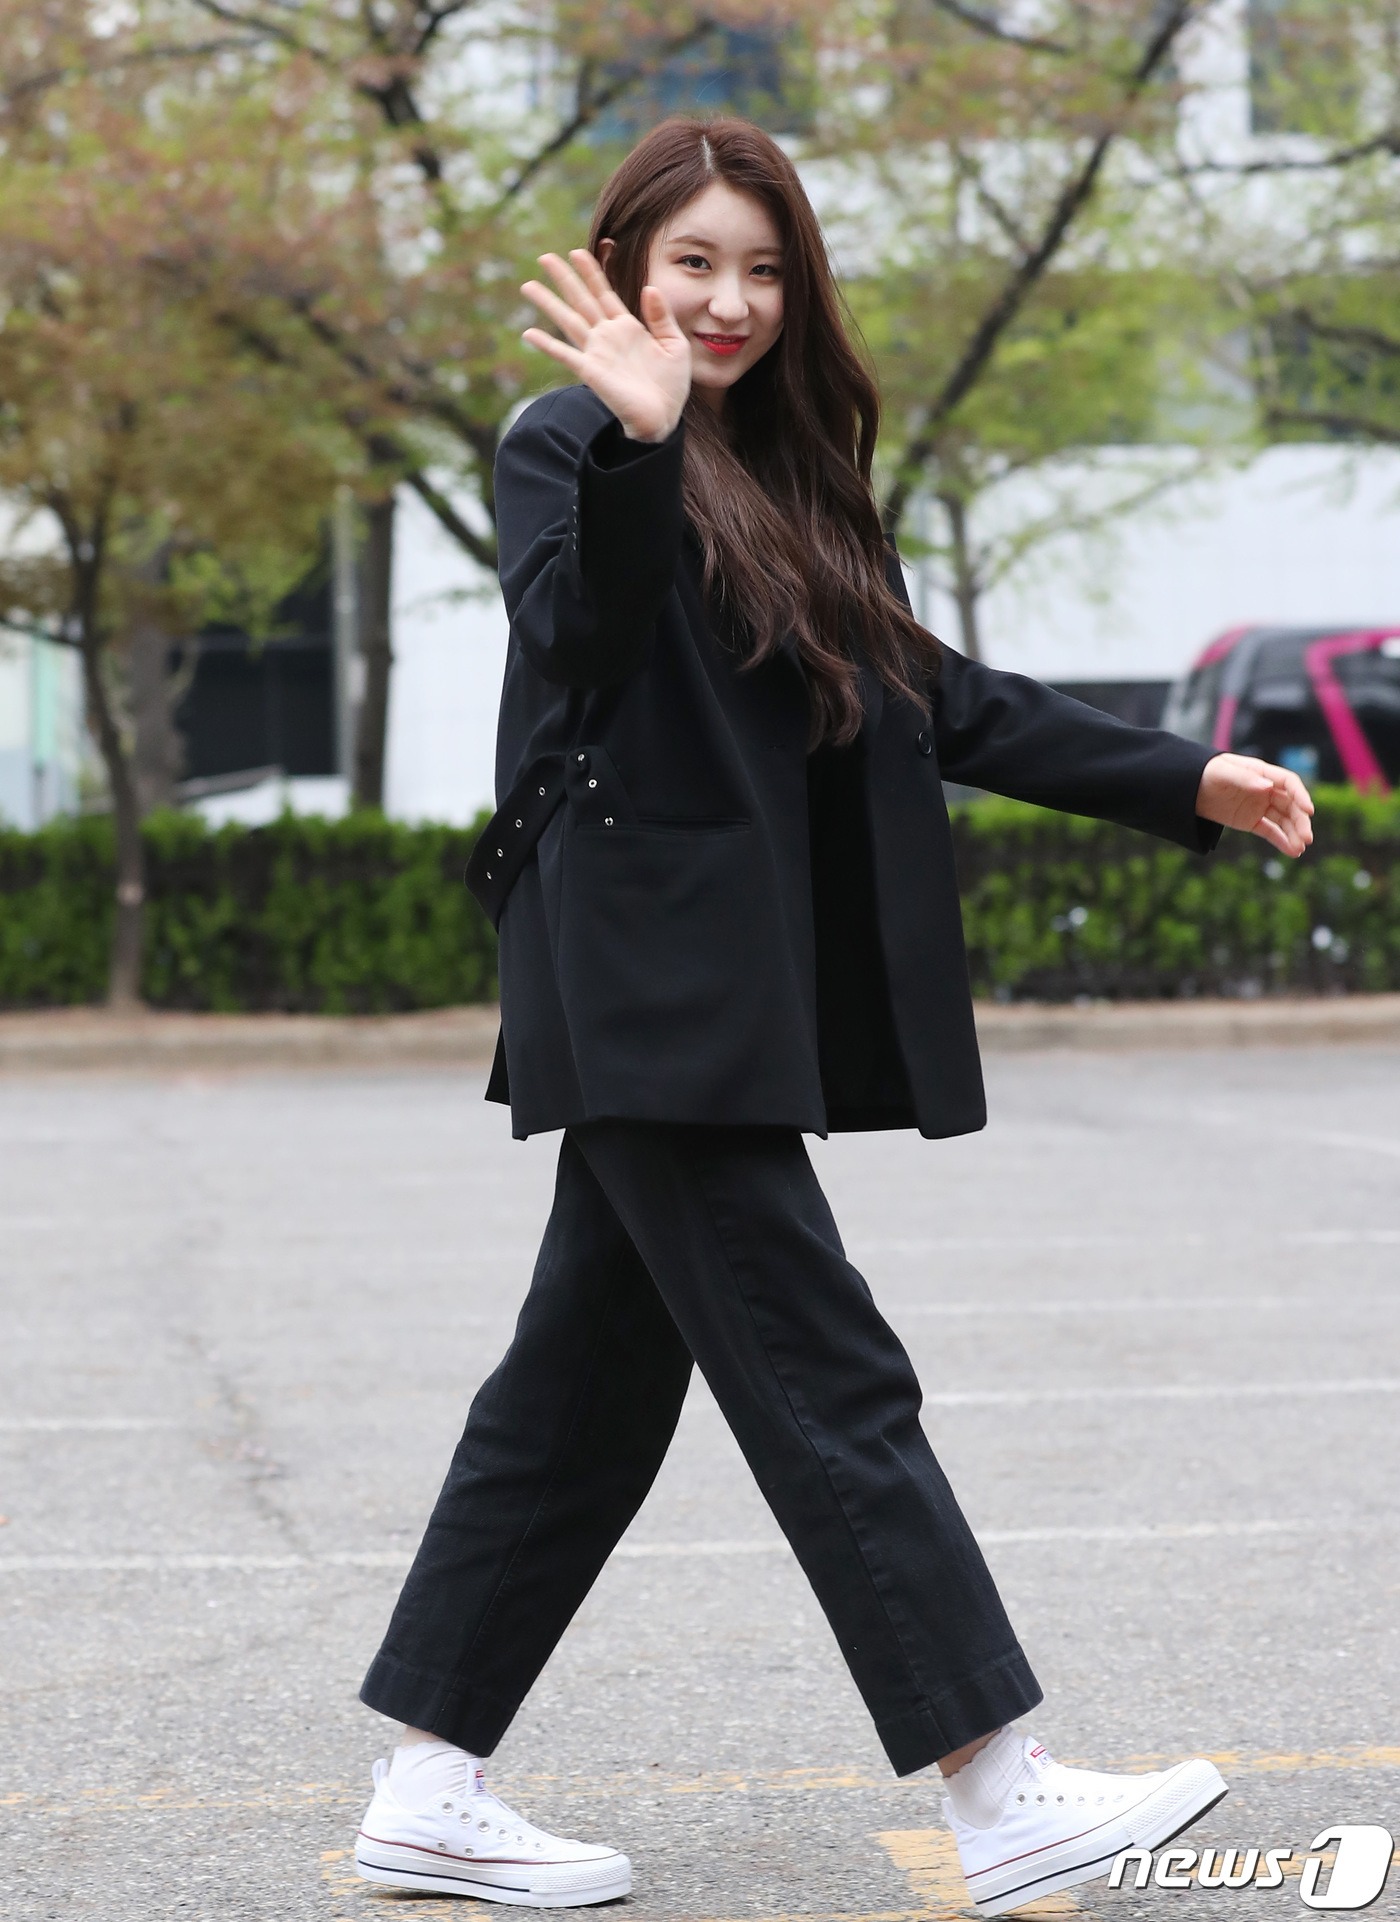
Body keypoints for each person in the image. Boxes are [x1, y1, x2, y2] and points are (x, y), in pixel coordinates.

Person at [352, 117, 1314, 1916]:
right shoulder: (572, 438)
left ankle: (426, 1779)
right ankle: (1000, 1782)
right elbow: (582, 633)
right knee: (829, 1373)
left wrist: (1184, 775)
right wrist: (641, 437)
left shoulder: (785, 471)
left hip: (713, 999)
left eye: (763, 266)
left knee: (579, 1394)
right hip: (650, 992)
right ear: (631, 263)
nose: (727, 300)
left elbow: (931, 692)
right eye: (695, 261)